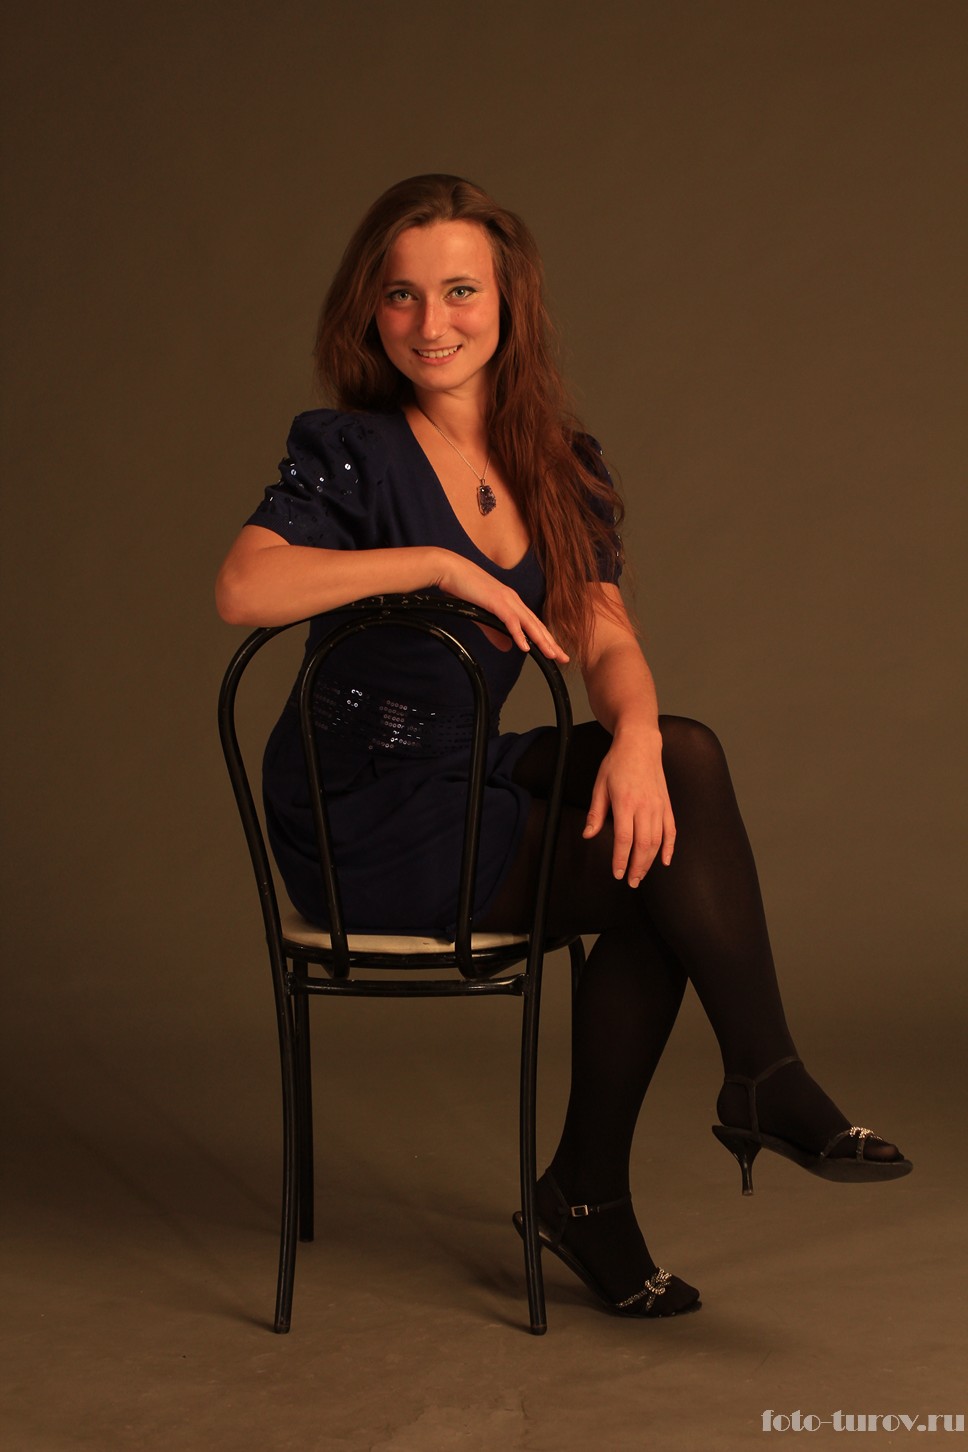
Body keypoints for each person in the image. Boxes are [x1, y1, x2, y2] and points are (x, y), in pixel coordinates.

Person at [216, 174, 911, 1320]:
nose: (430, 321)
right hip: (363, 820)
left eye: (458, 291)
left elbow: (608, 640)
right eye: (401, 294)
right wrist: (438, 567)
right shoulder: (350, 450)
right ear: (368, 310)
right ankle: (672, 1137)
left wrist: (629, 735)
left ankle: (717, 1104)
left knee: (671, 766)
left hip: (464, 772)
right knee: (656, 872)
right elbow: (244, 588)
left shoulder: (553, 461)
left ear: (508, 304)